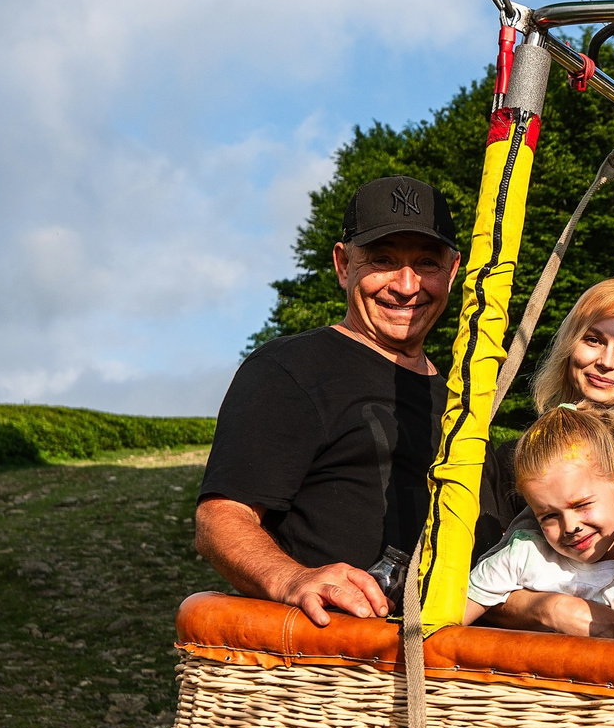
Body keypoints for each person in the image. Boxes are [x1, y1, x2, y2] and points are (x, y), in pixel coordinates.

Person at [196, 175, 457, 624]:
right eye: (383, 259)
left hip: (451, 673)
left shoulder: (463, 401)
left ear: (452, 271)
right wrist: (292, 579)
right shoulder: (290, 369)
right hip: (331, 666)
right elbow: (221, 518)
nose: (407, 285)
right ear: (343, 264)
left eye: (427, 263)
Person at [472, 276, 614, 614]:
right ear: (569, 344)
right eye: (593, 339)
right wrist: (550, 610)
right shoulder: (514, 461)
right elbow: (485, 580)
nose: (606, 361)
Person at [463, 407, 614, 634]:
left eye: (582, 505)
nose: (571, 527)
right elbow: (442, 619)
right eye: (550, 516)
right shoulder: (524, 556)